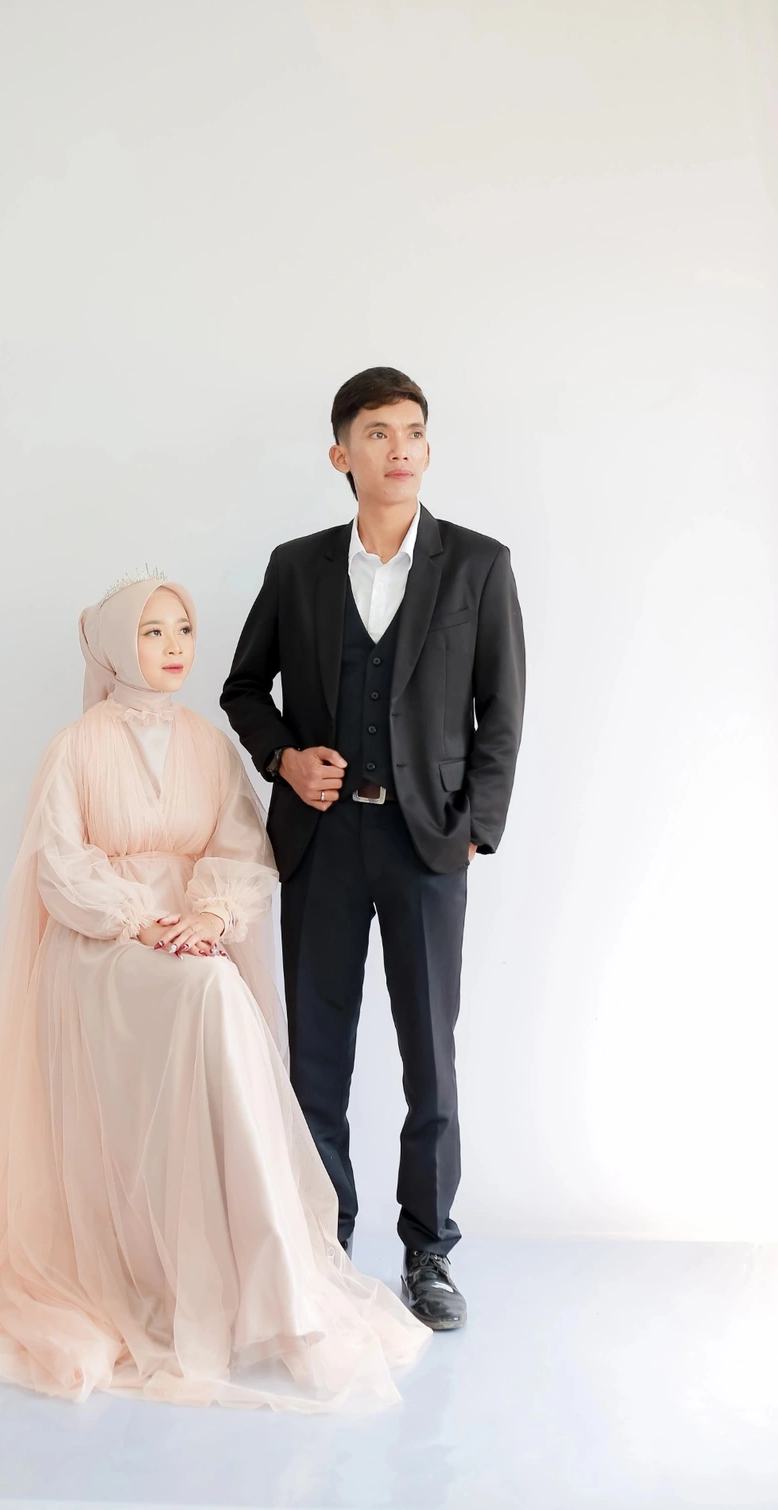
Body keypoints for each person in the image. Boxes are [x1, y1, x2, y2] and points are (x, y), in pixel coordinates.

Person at [0, 571, 428, 1411]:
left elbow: (241, 849)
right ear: (118, 645)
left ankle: (272, 1283)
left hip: (192, 940)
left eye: (183, 628)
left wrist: (209, 916)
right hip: (102, 950)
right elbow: (57, 865)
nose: (174, 646)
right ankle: (224, 1281)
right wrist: (141, 923)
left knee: (213, 990)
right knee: (210, 994)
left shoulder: (209, 744)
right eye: (152, 632)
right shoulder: (75, 746)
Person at [221, 367, 526, 1331]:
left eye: (413, 431)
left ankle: (428, 1252)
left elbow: (501, 710)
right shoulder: (296, 566)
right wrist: (285, 759)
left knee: (428, 1056)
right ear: (340, 454)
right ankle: (320, 1246)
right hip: (322, 841)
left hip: (425, 844)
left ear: (427, 448)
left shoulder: (477, 565)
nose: (400, 448)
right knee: (316, 1054)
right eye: (378, 432)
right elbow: (242, 688)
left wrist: (473, 827)